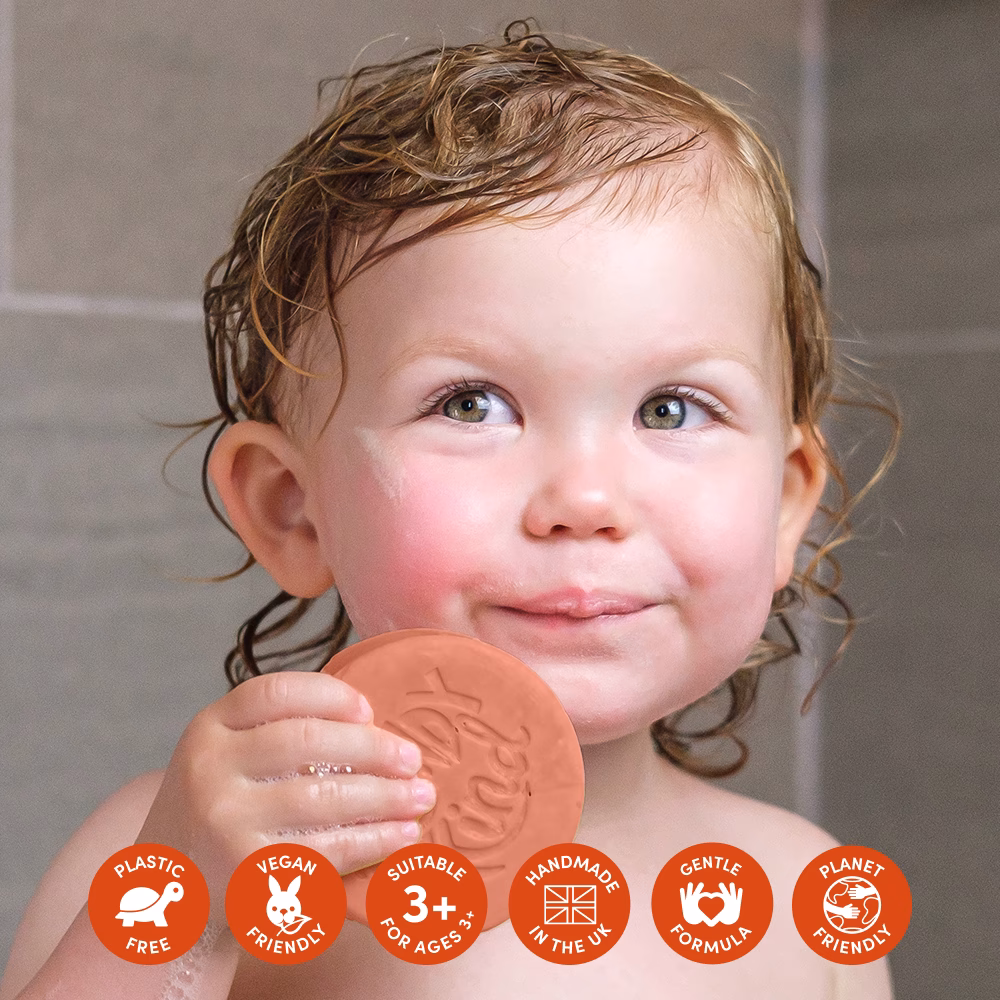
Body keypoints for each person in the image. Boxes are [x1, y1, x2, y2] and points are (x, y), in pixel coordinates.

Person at [0, 21, 898, 1000]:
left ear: (780, 503)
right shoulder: (170, 854)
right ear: (293, 509)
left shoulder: (804, 905)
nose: (584, 501)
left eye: (670, 409)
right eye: (470, 403)